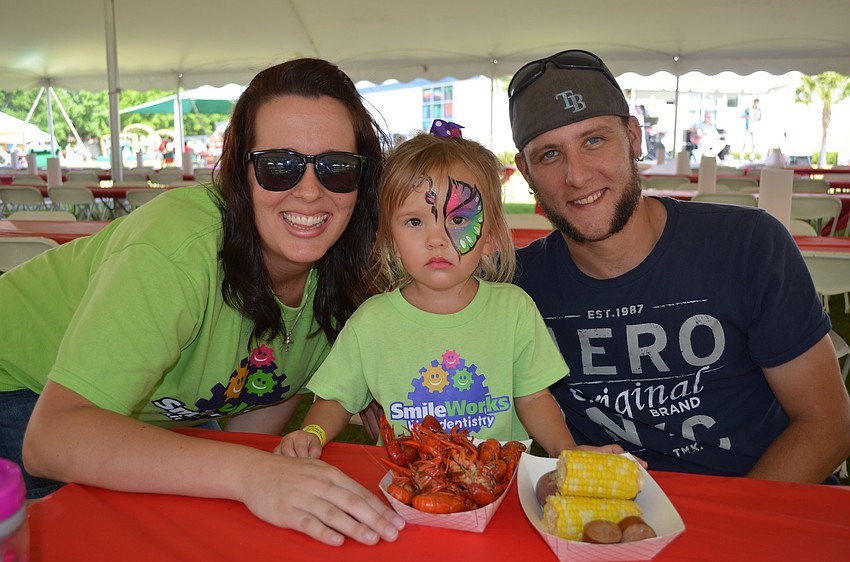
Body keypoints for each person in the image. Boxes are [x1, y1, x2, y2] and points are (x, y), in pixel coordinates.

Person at [0, 57, 405, 546]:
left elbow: (262, 402)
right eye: (280, 166)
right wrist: (249, 474)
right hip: (23, 391)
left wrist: (261, 469)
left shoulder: (348, 281)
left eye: (338, 169)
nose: (310, 191)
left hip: (151, 418)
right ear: (239, 173)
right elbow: (53, 439)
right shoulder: (178, 250)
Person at [507, 48, 850, 483]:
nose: (577, 175)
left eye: (594, 140)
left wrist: (727, 535)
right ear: (525, 171)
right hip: (616, 520)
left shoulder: (746, 245)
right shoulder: (517, 286)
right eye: (549, 155)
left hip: (765, 500)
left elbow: (827, 423)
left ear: (634, 137)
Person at [276, 124, 624, 460]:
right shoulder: (371, 322)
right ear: (392, 242)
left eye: (457, 220)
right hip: (412, 489)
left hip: (498, 487)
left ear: (489, 238)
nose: (436, 239)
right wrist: (313, 434)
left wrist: (564, 450)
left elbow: (533, 398)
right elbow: (336, 398)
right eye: (415, 222)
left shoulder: (514, 310)